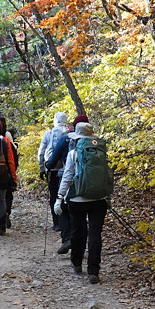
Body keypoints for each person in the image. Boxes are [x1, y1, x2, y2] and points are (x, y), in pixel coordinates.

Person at [55, 121, 111, 283]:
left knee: (78, 232)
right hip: (98, 199)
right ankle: (93, 271)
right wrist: (108, 197)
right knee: (95, 235)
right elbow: (107, 177)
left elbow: (67, 177)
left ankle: (77, 263)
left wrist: (59, 198)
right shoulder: (101, 152)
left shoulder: (73, 154)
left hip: (77, 199)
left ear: (77, 137)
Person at [45, 113, 88, 255]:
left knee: (63, 208)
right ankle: (81, 242)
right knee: (81, 214)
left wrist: (46, 165)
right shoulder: (95, 142)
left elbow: (52, 160)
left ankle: (67, 238)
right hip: (88, 182)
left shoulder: (66, 139)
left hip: (68, 179)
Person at [37, 112, 70, 231]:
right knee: (65, 194)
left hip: (52, 168)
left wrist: (42, 169)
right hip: (66, 169)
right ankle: (66, 221)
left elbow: (41, 152)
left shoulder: (48, 133)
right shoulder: (70, 133)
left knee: (54, 195)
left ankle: (57, 223)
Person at [0, 117, 18, 231]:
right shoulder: (7, 135)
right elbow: (13, 150)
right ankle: (6, 213)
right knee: (7, 194)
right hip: (6, 171)